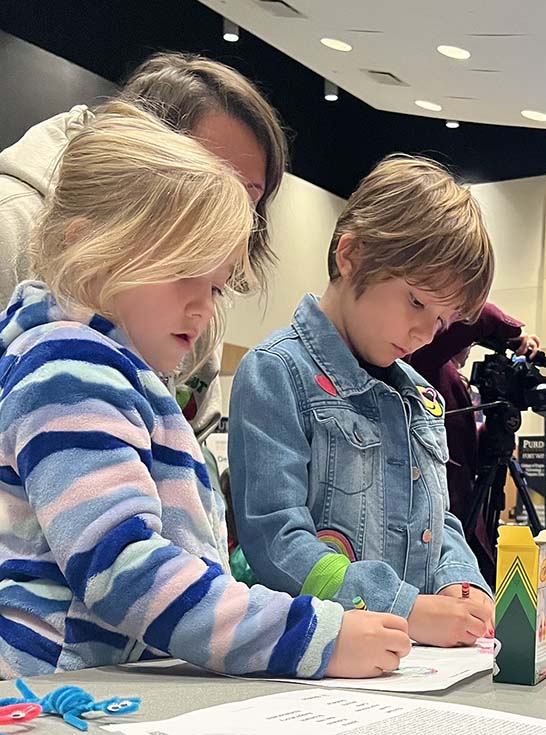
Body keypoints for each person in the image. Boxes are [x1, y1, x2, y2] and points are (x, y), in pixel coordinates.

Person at [0, 103, 410, 679]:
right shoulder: (73, 369)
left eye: (215, 286)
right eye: (180, 272)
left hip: (97, 679)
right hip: (61, 687)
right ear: (87, 245)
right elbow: (125, 570)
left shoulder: (109, 367)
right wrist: (311, 637)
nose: (202, 306)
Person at [229, 154, 496, 648]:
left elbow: (436, 521)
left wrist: (461, 579)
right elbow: (275, 543)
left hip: (415, 663)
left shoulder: (421, 396)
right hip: (317, 658)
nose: (424, 332)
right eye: (416, 301)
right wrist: (405, 609)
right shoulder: (277, 371)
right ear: (351, 256)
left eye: (441, 321)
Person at [0, 52, 287, 442]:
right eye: (210, 174)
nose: (228, 205)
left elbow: (194, 425)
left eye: (247, 194)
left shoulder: (198, 300)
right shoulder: (12, 223)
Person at [408, 302, 539, 581]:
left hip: (460, 500)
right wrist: (516, 337)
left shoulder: (447, 374)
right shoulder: (425, 362)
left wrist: (494, 431)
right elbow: (484, 316)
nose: (470, 347)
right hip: (445, 507)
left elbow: (461, 447)